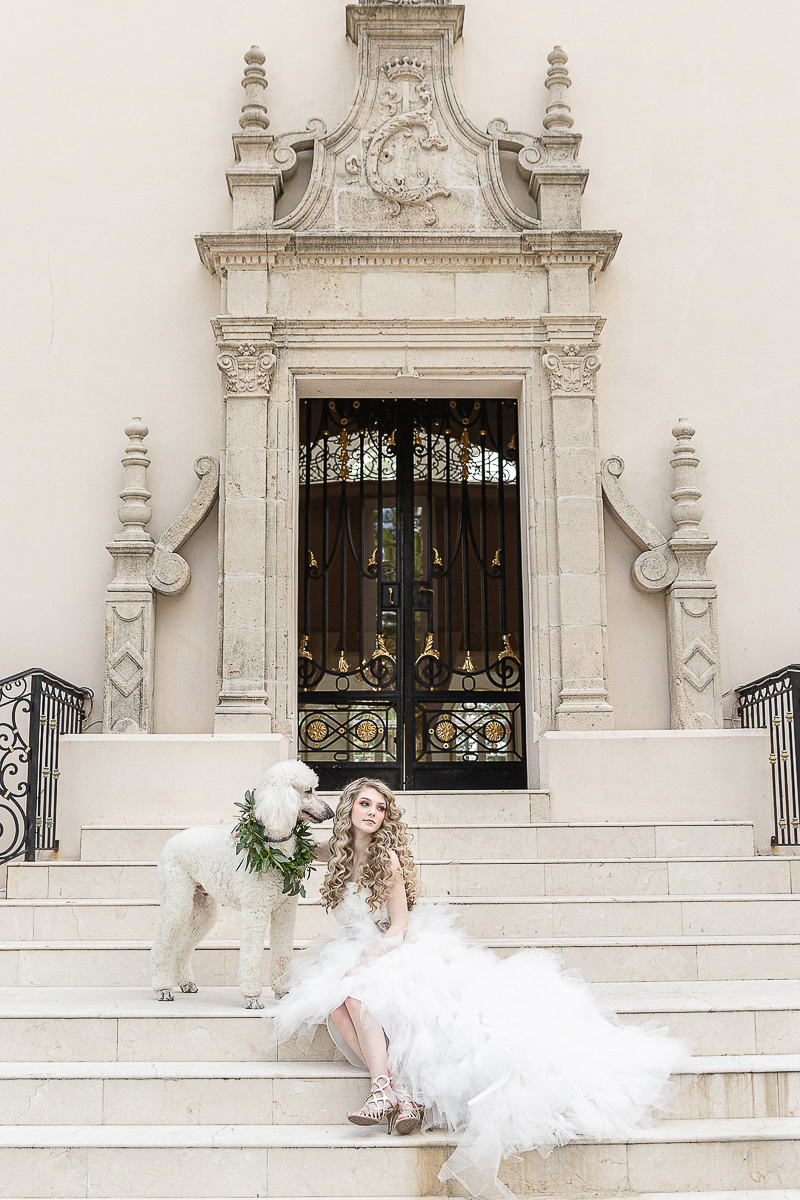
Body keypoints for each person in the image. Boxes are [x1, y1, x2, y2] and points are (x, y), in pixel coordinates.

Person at [271, 777, 688, 1199]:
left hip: (388, 948)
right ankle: (401, 1095)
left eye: (380, 808)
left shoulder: (388, 861)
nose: (372, 813)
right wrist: (263, 818)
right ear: (348, 808)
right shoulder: (334, 853)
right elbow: (278, 842)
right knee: (337, 1006)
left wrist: (363, 964)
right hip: (350, 948)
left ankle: (382, 1091)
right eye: (365, 804)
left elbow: (398, 929)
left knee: (356, 994)